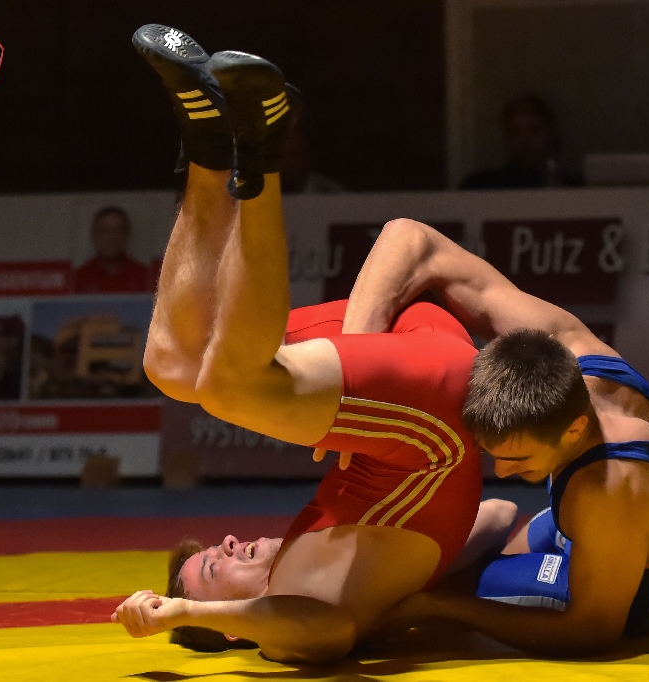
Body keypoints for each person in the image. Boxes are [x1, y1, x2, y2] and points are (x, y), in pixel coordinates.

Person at [112, 24, 485, 664]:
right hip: (436, 421)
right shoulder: (299, 606)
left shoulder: (313, 553)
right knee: (224, 388)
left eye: (215, 550)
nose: (229, 542)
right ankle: (264, 158)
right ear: (236, 630)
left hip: (402, 352)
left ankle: (208, 151)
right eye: (213, 568)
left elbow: (496, 513)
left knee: (170, 366)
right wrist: (186, 612)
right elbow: (327, 634)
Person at [335, 217, 649, 656]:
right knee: (482, 543)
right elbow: (412, 239)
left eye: (518, 459)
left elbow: (590, 632)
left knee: (446, 587)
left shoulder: (605, 488)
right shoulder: (571, 346)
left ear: (574, 428)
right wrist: (349, 388)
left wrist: (439, 609)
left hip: (645, 598)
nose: (502, 471)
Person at [461, 95, 574, 189]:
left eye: (535, 130)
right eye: (514, 132)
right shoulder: (479, 186)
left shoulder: (573, 189)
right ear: (506, 138)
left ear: (551, 134)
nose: (525, 140)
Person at [73, 206, 150, 293]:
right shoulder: (77, 278)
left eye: (119, 230)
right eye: (106, 230)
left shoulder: (146, 276)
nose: (112, 237)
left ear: (127, 234)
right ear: (95, 235)